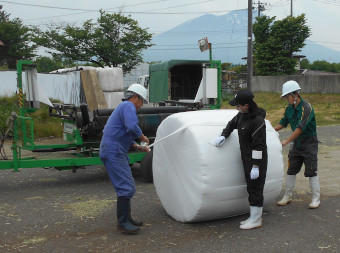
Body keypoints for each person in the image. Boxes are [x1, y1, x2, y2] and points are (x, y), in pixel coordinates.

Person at [99, 83, 150, 234]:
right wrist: (142, 136)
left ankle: (127, 218)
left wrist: (137, 146)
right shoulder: (128, 106)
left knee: (126, 184)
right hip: (113, 150)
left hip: (113, 148)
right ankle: (122, 222)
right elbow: (131, 126)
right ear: (135, 97)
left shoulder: (122, 107)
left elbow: (122, 132)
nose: (141, 106)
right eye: (142, 102)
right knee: (126, 186)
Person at [215, 90, 268, 230]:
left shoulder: (258, 121)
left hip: (257, 160)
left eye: (238, 105)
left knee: (255, 187)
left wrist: (256, 166)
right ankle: (253, 216)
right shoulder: (241, 115)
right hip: (246, 158)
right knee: (250, 187)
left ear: (246, 105)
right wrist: (223, 135)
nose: (236, 108)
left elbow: (259, 145)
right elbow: (231, 124)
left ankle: (256, 219)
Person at [274, 80, 320, 209]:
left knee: (311, 170)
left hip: (309, 143)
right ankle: (287, 196)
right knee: (291, 169)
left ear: (295, 94)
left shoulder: (307, 107)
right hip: (296, 144)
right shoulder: (289, 109)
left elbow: (300, 128)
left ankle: (316, 198)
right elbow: (283, 123)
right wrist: (269, 129)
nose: (286, 99)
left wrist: (286, 141)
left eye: (287, 96)